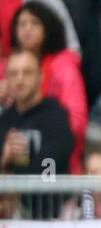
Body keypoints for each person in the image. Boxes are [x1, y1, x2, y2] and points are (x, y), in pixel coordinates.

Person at [9, 1, 84, 170]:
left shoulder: (64, 67)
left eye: (35, 23)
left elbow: (76, 124)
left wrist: (46, 138)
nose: (27, 29)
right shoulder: (6, 66)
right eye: (22, 24)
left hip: (54, 155)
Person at [0, 47, 72, 179]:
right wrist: (5, 157)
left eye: (27, 72)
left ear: (41, 76)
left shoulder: (57, 117)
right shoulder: (4, 121)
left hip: (48, 198)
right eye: (13, 73)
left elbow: (50, 172)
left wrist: (21, 159)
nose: (19, 79)